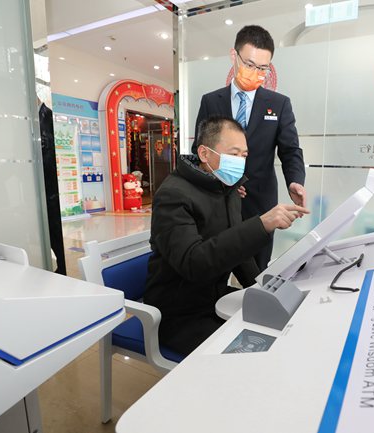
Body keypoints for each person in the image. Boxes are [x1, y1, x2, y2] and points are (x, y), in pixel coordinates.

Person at [145, 116, 309, 356]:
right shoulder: (173, 195)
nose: (240, 162)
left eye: (244, 156)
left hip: (215, 297)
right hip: (179, 313)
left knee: (281, 328)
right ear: (204, 153)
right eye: (234, 154)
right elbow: (194, 263)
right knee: (254, 352)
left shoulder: (227, 189)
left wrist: (261, 288)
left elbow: (238, 254)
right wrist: (261, 225)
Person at [192, 25, 306, 271]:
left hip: (260, 204)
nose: (256, 73)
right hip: (218, 202)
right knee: (216, 265)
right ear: (234, 56)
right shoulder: (211, 101)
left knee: (256, 270)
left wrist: (295, 181)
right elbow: (199, 151)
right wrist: (220, 180)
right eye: (250, 64)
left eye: (263, 68)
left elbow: (290, 150)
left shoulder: (279, 104)